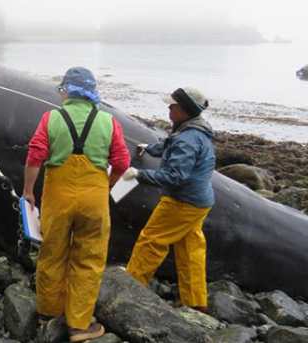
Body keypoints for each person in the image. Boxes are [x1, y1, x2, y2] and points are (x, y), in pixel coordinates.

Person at [23, 67, 130, 342]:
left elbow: (35, 155)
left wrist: (28, 191)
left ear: (67, 90)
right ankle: (80, 325)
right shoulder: (109, 121)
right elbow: (122, 163)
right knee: (89, 259)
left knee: (51, 253)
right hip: (93, 198)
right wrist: (107, 185)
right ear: (92, 91)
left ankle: (48, 312)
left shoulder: (51, 117)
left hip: (58, 196)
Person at [122, 87, 215, 313]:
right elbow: (169, 144)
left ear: (184, 110)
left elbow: (175, 177)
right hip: (200, 201)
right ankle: (195, 301)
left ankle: (130, 287)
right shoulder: (193, 129)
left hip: (182, 202)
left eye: (172, 106)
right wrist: (150, 148)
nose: (169, 108)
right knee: (190, 248)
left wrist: (139, 174)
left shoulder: (187, 139)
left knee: (151, 240)